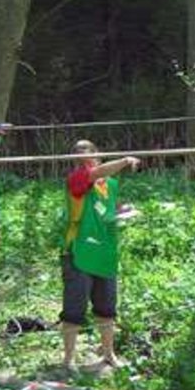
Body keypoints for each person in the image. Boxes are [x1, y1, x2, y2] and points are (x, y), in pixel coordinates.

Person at [60, 140, 141, 372]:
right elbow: (93, 175)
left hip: (105, 252)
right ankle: (68, 361)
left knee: (107, 308)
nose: (85, 162)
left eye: (89, 157)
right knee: (74, 309)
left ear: (98, 156)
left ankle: (108, 354)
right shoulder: (76, 179)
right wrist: (125, 160)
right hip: (79, 251)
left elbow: (107, 210)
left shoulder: (110, 184)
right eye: (79, 158)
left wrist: (123, 212)